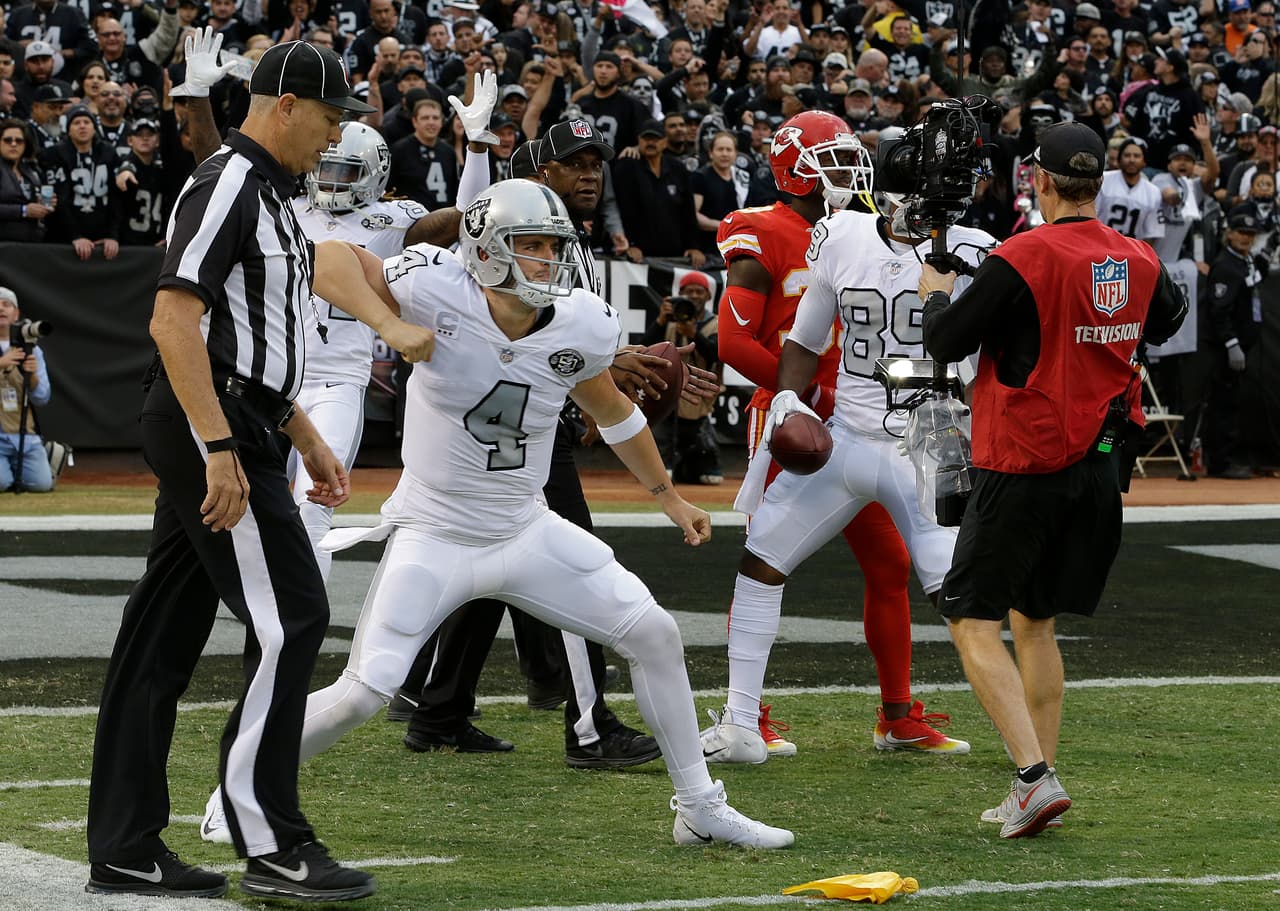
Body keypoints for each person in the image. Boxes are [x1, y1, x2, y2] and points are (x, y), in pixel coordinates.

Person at [207, 178, 797, 850]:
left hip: (523, 528)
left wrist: (667, 493)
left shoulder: (580, 321)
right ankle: (240, 784)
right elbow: (331, 259)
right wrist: (390, 324)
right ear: (486, 251)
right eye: (534, 245)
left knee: (655, 632)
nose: (550, 259)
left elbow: (612, 410)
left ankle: (699, 805)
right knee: (365, 690)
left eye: (555, 245)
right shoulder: (434, 285)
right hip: (436, 532)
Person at [85, 40, 435, 902]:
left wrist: (302, 433)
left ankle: (125, 842)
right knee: (294, 616)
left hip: (246, 415)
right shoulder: (229, 182)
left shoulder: (274, 196)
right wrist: (218, 445)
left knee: (159, 640)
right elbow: (177, 324)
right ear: (284, 106)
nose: (333, 137)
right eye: (328, 118)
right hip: (210, 418)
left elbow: (257, 341)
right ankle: (270, 836)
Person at [393, 122, 695, 769]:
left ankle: (438, 707)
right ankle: (590, 725)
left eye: (595, 163)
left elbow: (562, 335)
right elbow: (420, 253)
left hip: (527, 420)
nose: (589, 174)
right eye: (572, 163)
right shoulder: (507, 237)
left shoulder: (568, 243)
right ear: (538, 175)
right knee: (573, 566)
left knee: (492, 565)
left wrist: (603, 369)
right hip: (504, 428)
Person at [919, 121, 1187, 838]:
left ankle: (1034, 778)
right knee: (1036, 623)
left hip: (1024, 459)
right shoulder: (1134, 254)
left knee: (970, 617)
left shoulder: (1024, 254)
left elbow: (944, 342)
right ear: (1097, 181)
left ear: (1038, 180)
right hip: (1100, 464)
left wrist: (937, 290)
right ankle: (1038, 776)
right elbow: (1165, 321)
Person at [1203, 207, 1266, 479]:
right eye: (1241, 232)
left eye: (1251, 234)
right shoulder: (1226, 266)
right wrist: (1231, 343)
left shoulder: (1244, 261)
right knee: (1223, 404)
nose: (1246, 238)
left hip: (1244, 345)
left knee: (1234, 403)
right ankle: (1219, 462)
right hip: (1225, 350)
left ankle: (1229, 457)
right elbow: (1219, 310)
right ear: (1229, 233)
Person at [0, 286, 53, 493]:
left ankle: (45, 456)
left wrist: (31, 378)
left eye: (6, 304)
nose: (1, 309)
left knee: (41, 484)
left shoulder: (31, 349)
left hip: (24, 433)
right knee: (2, 483)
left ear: (16, 313)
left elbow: (42, 398)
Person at [1096, 137, 1165, 245]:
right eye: (1127, 155)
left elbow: (1151, 233)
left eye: (1137, 156)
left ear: (1144, 161)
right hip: (1100, 244)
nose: (1131, 160)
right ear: (1119, 159)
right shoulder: (1103, 180)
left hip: (1132, 251)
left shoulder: (1153, 192)